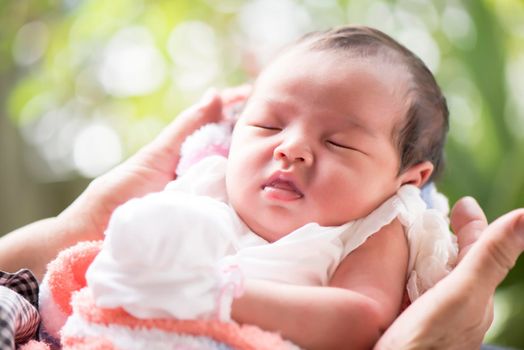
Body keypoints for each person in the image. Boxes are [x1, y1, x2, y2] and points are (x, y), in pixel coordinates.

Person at [0, 26, 522, 349]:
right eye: (268, 126)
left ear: (407, 180)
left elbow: (358, 320)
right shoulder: (205, 181)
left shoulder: (375, 225)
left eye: (339, 142)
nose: (290, 148)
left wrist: (215, 292)